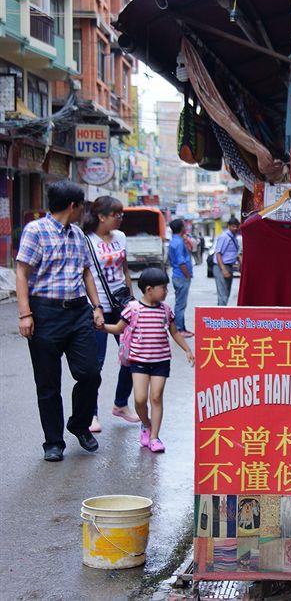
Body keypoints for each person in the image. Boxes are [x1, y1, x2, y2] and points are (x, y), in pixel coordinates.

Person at [15, 181, 104, 461]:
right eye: (82, 206)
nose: (82, 212)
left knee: (90, 373)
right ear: (72, 206)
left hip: (79, 312)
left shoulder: (79, 234)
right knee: (48, 383)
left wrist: (97, 307)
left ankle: (79, 424)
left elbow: (87, 272)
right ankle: (53, 442)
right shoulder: (35, 231)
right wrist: (25, 313)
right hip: (45, 313)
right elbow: (22, 273)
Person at [103, 267, 194, 454]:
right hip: (138, 362)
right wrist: (102, 327)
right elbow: (119, 328)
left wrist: (187, 349)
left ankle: (154, 437)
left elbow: (174, 332)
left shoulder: (166, 311)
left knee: (156, 397)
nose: (166, 292)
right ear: (149, 289)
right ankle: (146, 424)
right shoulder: (133, 309)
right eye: (163, 288)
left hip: (161, 361)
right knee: (140, 399)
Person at [82, 196, 139, 431]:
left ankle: (120, 404)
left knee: (132, 355)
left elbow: (125, 269)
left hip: (122, 305)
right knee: (95, 364)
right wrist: (94, 307)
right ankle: (91, 414)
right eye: (116, 215)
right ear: (101, 217)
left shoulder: (121, 238)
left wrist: (133, 300)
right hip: (98, 308)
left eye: (121, 214)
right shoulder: (87, 241)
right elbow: (85, 276)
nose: (120, 219)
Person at [168, 219, 195, 337]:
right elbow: (181, 262)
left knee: (181, 303)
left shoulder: (175, 241)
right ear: (181, 228)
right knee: (180, 304)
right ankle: (179, 329)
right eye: (184, 226)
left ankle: (182, 327)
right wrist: (187, 275)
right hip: (181, 276)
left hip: (178, 275)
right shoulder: (178, 242)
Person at [214, 217, 242, 306]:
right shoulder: (224, 237)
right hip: (221, 267)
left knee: (226, 293)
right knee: (223, 294)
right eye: (233, 226)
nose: (235, 228)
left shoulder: (234, 238)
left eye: (237, 226)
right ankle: (220, 316)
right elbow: (218, 254)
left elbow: (234, 254)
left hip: (229, 267)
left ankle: (220, 314)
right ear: (229, 226)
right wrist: (223, 270)